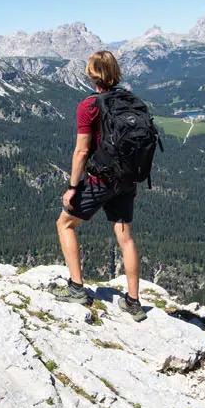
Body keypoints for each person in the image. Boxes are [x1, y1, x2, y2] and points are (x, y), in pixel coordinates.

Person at [52, 50, 147, 320]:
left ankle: (76, 288)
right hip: (127, 179)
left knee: (65, 224)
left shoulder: (89, 105)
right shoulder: (131, 100)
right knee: (126, 238)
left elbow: (82, 152)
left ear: (91, 74)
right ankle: (133, 302)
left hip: (101, 179)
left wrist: (73, 187)